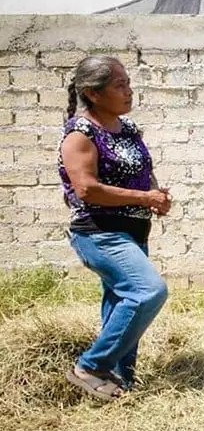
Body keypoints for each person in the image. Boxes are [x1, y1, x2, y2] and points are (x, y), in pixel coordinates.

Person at [59, 55, 171, 401]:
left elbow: (143, 169)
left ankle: (119, 384)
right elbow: (87, 189)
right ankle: (90, 366)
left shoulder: (128, 128)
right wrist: (143, 197)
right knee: (148, 291)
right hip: (99, 232)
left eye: (129, 83)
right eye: (120, 85)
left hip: (134, 231)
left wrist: (156, 195)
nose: (129, 91)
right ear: (93, 93)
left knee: (122, 304)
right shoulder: (80, 134)